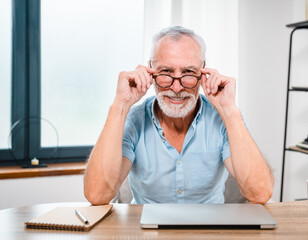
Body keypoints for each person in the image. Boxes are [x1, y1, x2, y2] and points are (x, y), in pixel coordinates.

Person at [84, 26, 274, 205]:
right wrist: (120, 105)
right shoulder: (135, 120)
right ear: (150, 71)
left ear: (203, 72)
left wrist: (230, 110)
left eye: (188, 72)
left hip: (209, 230)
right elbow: (97, 195)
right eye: (166, 72)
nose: (176, 88)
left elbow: (260, 193)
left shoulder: (222, 117)